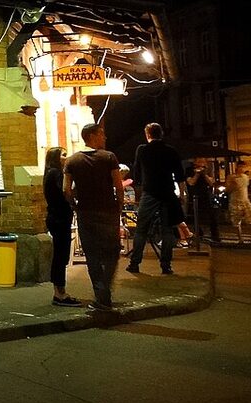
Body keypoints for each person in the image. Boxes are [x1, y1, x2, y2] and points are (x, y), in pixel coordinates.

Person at [63, 124, 123, 312]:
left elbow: (66, 189)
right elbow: (119, 186)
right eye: (101, 134)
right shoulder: (109, 157)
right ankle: (105, 290)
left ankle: (100, 294)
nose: (104, 138)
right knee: (112, 252)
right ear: (92, 136)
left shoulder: (72, 161)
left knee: (92, 254)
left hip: (86, 212)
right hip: (107, 211)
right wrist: (118, 206)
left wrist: (75, 204)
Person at [126, 123, 186, 275]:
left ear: (147, 135)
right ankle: (166, 266)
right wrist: (183, 195)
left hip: (150, 192)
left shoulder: (142, 150)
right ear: (162, 134)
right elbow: (180, 176)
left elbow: (137, 172)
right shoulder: (171, 151)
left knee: (141, 229)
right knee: (167, 231)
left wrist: (140, 188)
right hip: (167, 193)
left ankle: (135, 263)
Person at [43, 147, 80, 307]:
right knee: (61, 256)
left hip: (56, 217)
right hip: (59, 218)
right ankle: (60, 294)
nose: (67, 157)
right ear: (55, 158)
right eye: (63, 155)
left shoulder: (50, 173)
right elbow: (66, 192)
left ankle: (60, 291)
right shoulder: (56, 174)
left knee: (61, 255)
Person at [186, 157, 220, 243]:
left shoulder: (208, 170)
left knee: (212, 216)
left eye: (203, 162)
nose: (201, 163)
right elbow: (191, 182)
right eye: (199, 161)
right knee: (196, 217)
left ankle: (215, 235)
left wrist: (204, 174)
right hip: (195, 196)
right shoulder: (189, 170)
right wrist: (197, 174)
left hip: (206, 195)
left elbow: (211, 182)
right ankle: (199, 235)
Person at [225, 160, 251, 243]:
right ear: (237, 167)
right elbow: (228, 190)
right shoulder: (231, 177)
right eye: (240, 167)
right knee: (236, 222)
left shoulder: (245, 177)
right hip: (235, 201)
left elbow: (246, 189)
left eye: (243, 167)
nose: (242, 169)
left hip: (245, 201)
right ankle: (240, 238)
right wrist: (233, 185)